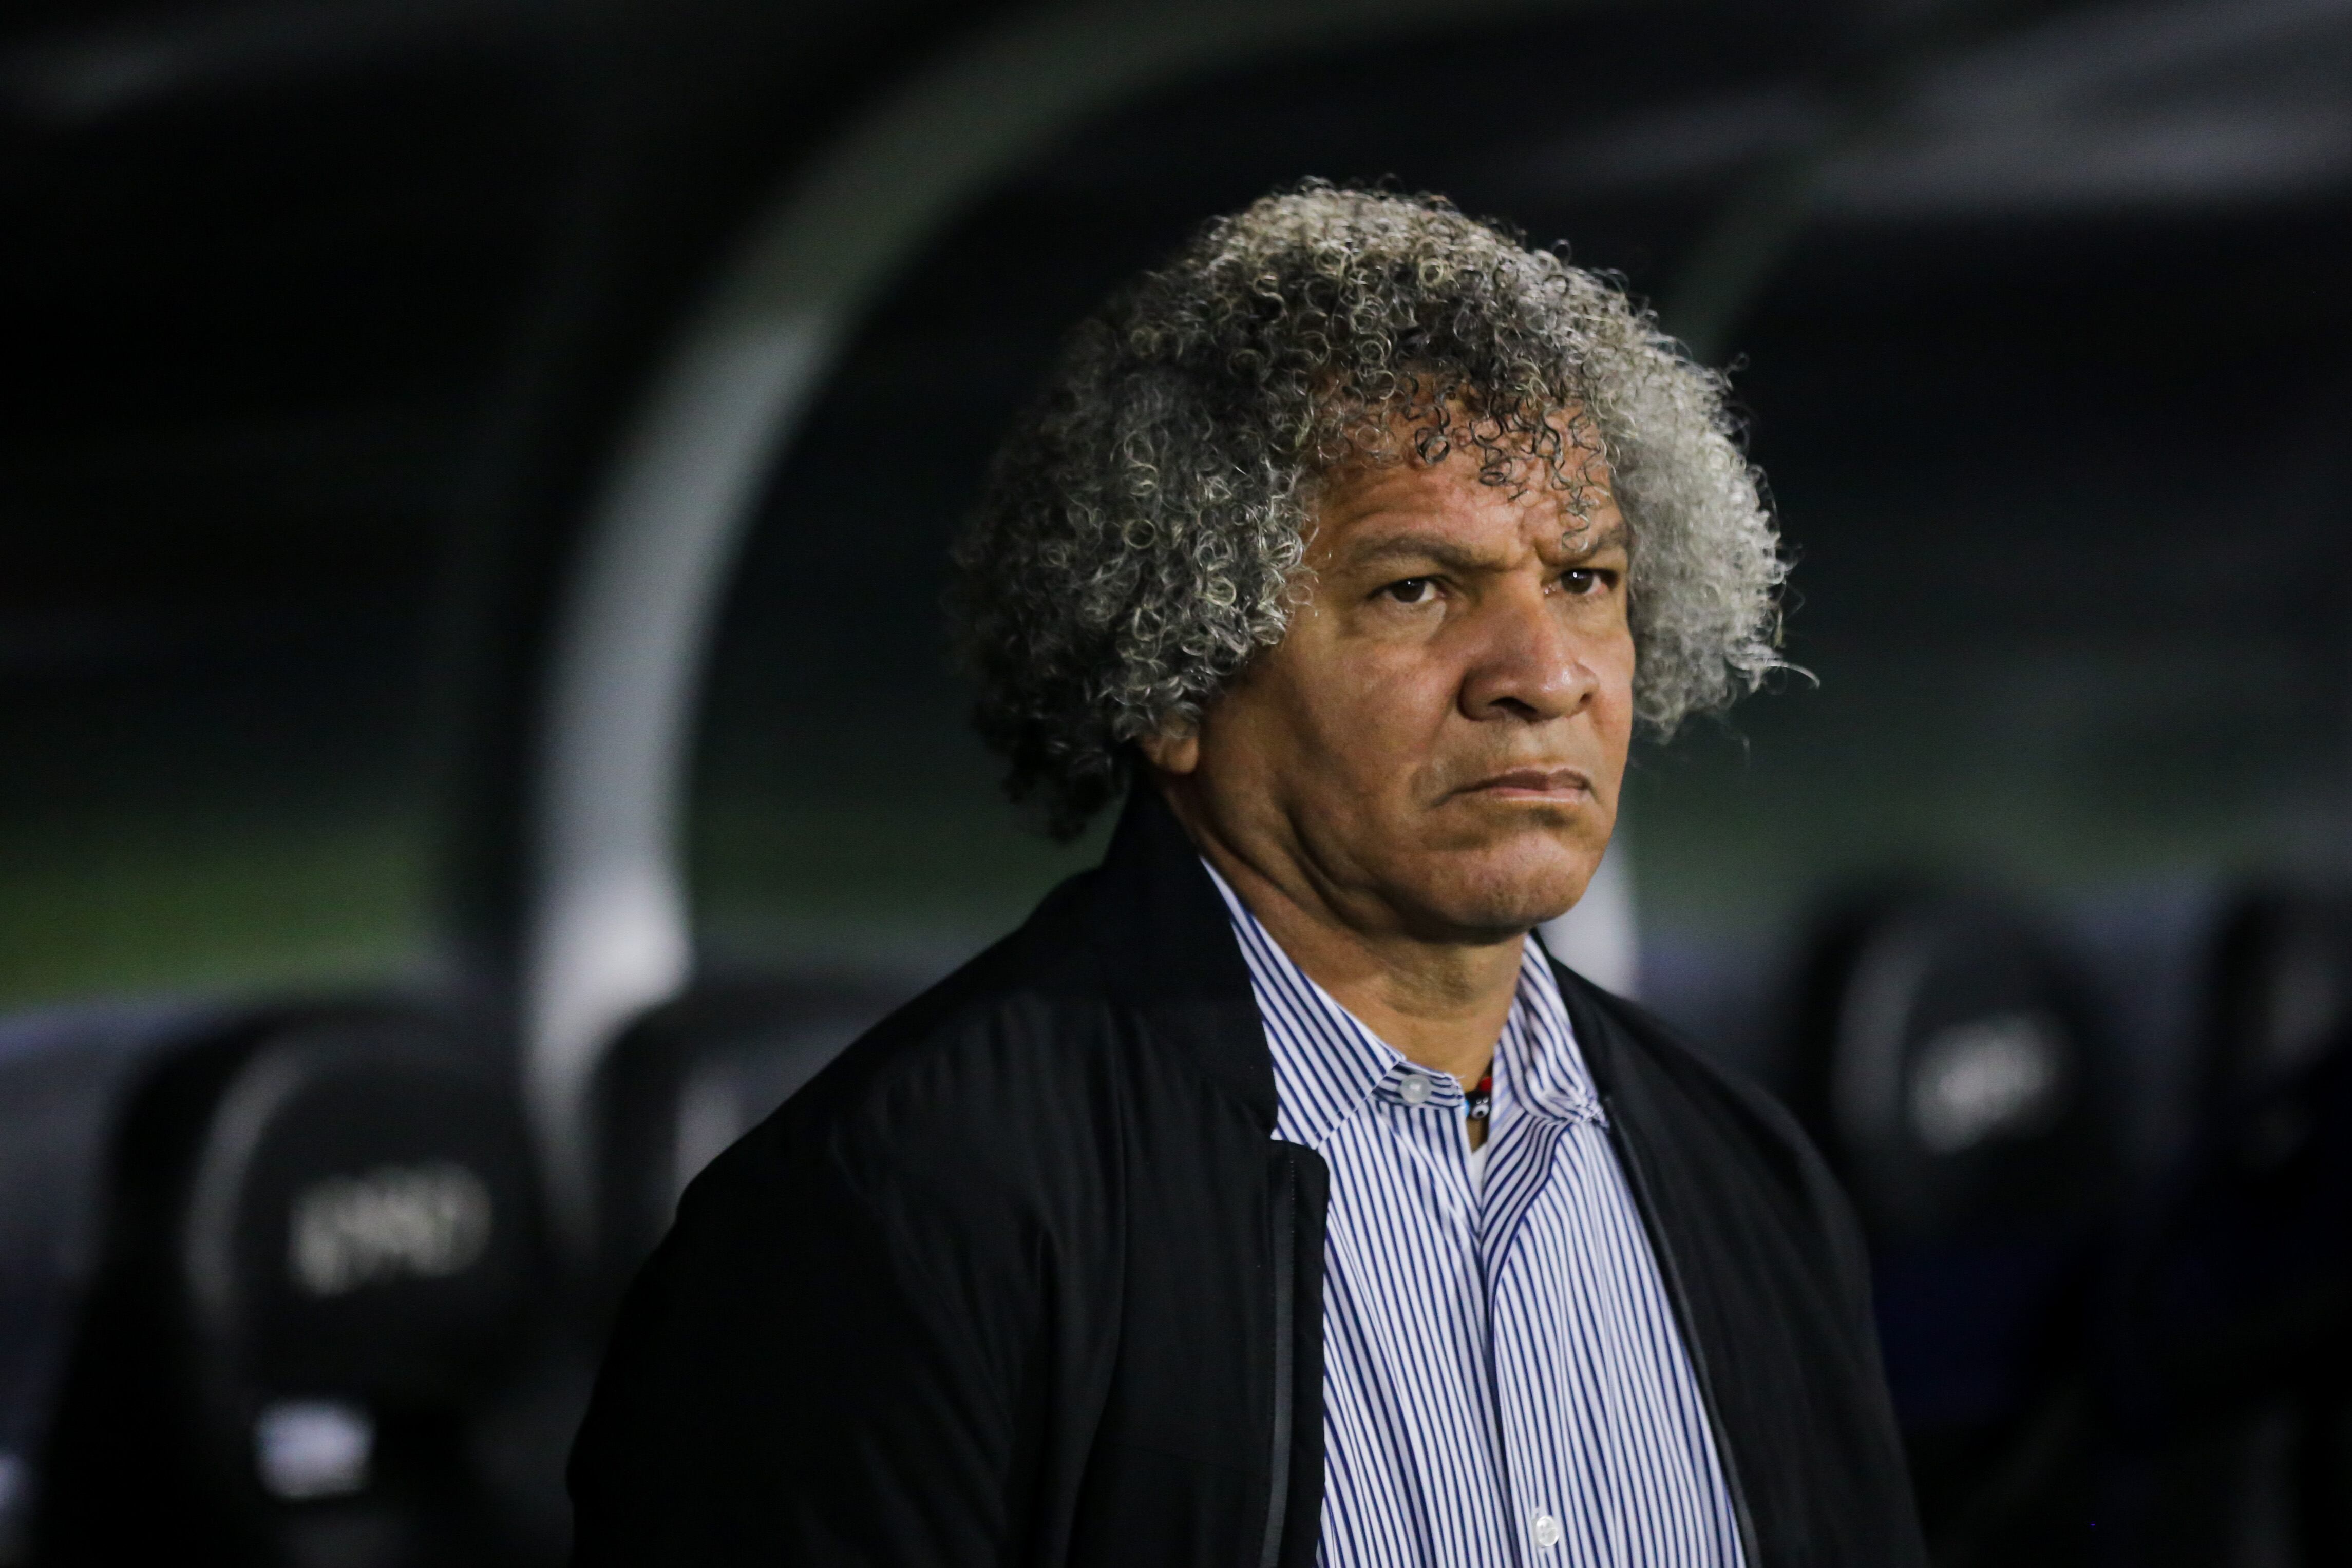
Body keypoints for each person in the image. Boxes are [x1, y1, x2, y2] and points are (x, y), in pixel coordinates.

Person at [569, 184, 1923, 1567]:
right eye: (1415, 589)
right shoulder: (894, 1213)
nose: (1543, 676)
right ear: (1171, 674)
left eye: (1583, 580)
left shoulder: (1744, 1175)